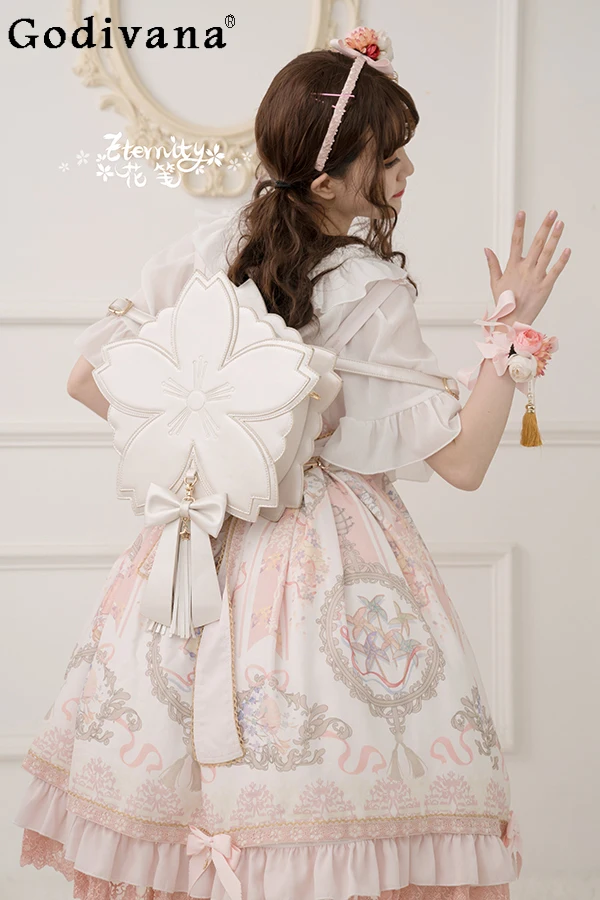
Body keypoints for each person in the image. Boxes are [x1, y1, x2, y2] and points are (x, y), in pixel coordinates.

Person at [14, 26, 570, 900]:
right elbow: (464, 461)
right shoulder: (371, 291)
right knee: (320, 800)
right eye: (390, 157)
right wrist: (511, 327)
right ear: (327, 181)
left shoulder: (205, 251)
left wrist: (213, 447)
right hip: (322, 575)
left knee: (183, 804)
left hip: (193, 555)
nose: (407, 172)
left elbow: (89, 380)